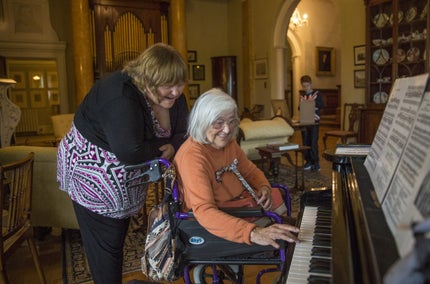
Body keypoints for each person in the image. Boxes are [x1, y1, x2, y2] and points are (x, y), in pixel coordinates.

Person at [56, 43, 189, 284]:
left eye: (180, 84)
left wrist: (174, 144)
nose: (177, 91)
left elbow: (183, 132)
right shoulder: (119, 93)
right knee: (107, 246)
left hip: (129, 179)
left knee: (118, 233)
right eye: (169, 85)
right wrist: (168, 147)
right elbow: (130, 150)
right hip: (93, 174)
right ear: (148, 79)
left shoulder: (173, 95)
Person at [174, 88, 299, 249]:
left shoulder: (228, 144)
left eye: (232, 121)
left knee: (295, 227)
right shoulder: (192, 156)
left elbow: (250, 172)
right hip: (218, 220)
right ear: (203, 121)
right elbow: (205, 212)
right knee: (291, 241)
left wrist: (263, 187)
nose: (227, 129)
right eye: (219, 123)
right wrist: (254, 233)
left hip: (240, 206)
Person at [300, 75, 324, 171]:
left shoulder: (317, 94)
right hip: (305, 121)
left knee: (313, 142)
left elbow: (321, 105)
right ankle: (308, 161)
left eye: (307, 86)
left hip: (314, 122)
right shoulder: (302, 96)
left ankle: (316, 162)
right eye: (304, 86)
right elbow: (299, 107)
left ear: (311, 84)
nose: (306, 88)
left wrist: (311, 105)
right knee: (305, 142)